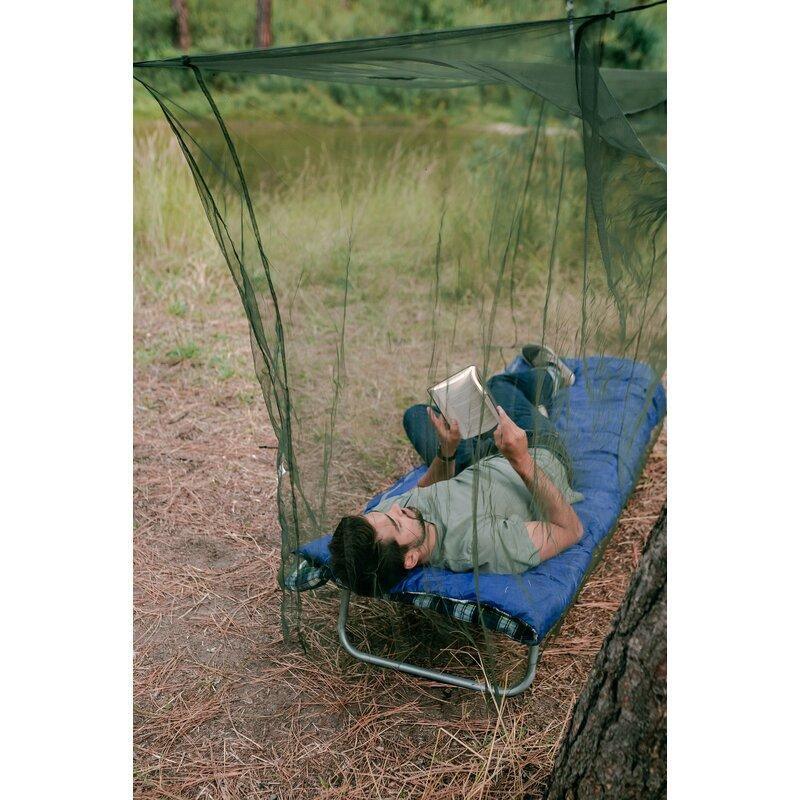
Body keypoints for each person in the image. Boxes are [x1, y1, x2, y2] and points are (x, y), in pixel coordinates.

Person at [329, 345, 584, 595]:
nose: (396, 508)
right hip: (537, 456)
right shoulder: (479, 544)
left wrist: (447, 451)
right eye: (396, 521)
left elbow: (424, 492)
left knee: (416, 415)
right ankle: (553, 373)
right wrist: (521, 459)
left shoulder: (388, 524)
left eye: (381, 513)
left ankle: (476, 432)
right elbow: (570, 530)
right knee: (500, 386)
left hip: (476, 462)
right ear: (411, 559)